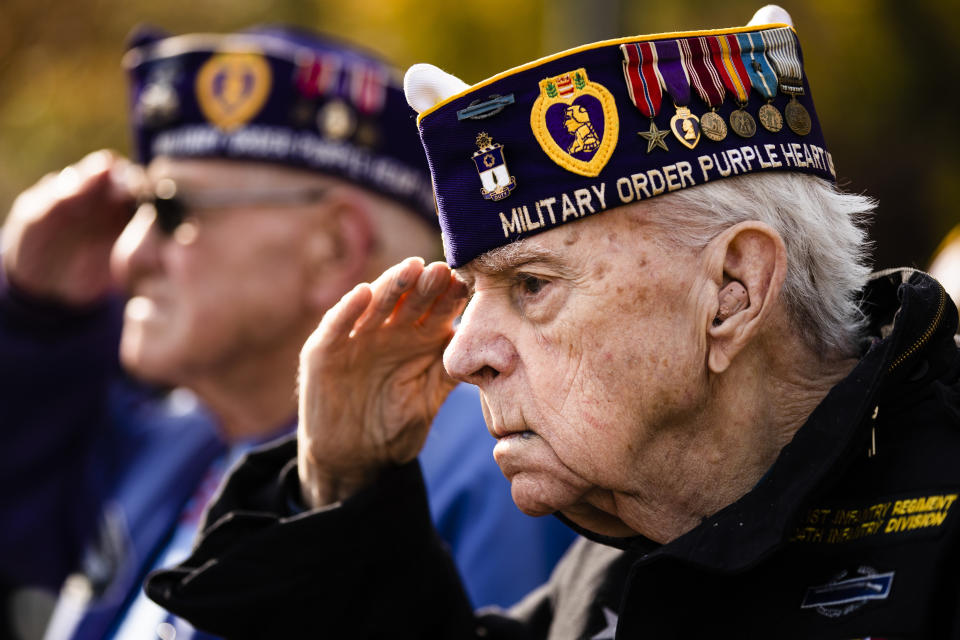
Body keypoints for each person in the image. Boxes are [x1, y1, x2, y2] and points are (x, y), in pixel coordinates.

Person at [145, 7, 960, 638]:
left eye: (532, 284)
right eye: (469, 293)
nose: (462, 353)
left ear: (734, 291)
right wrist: (345, 493)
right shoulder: (619, 563)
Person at [0, 26, 574, 640]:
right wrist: (37, 318)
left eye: (171, 210)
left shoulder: (497, 468)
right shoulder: (185, 441)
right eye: (130, 212)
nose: (128, 253)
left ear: (333, 248)